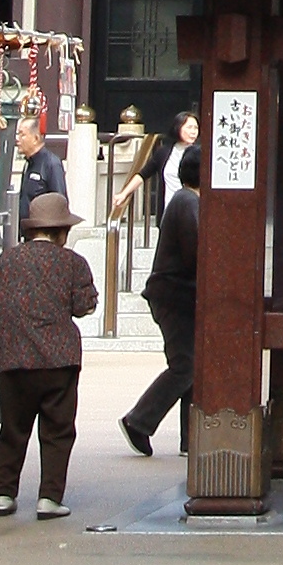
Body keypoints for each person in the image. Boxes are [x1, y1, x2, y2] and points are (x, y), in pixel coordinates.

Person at [0, 181, 99, 518]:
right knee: (57, 431)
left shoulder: (7, 260)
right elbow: (83, 306)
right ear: (61, 231)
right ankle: (49, 497)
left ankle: (4, 494)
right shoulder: (72, 263)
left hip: (13, 359)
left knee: (13, 430)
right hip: (59, 361)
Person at [122, 136, 200, 456]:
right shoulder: (187, 202)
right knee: (185, 365)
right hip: (174, 296)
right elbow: (197, 254)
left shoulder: (187, 201)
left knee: (192, 364)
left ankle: (190, 437)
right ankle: (139, 420)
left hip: (179, 295)